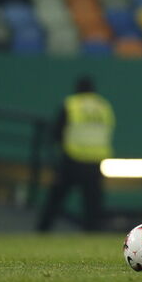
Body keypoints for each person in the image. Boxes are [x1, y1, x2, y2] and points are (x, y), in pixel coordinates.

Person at [37, 76, 115, 232]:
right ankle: (92, 234)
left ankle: (43, 230)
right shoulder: (104, 106)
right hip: (95, 161)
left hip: (72, 159)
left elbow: (57, 132)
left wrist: (57, 152)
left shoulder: (71, 104)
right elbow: (109, 129)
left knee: (56, 197)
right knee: (92, 203)